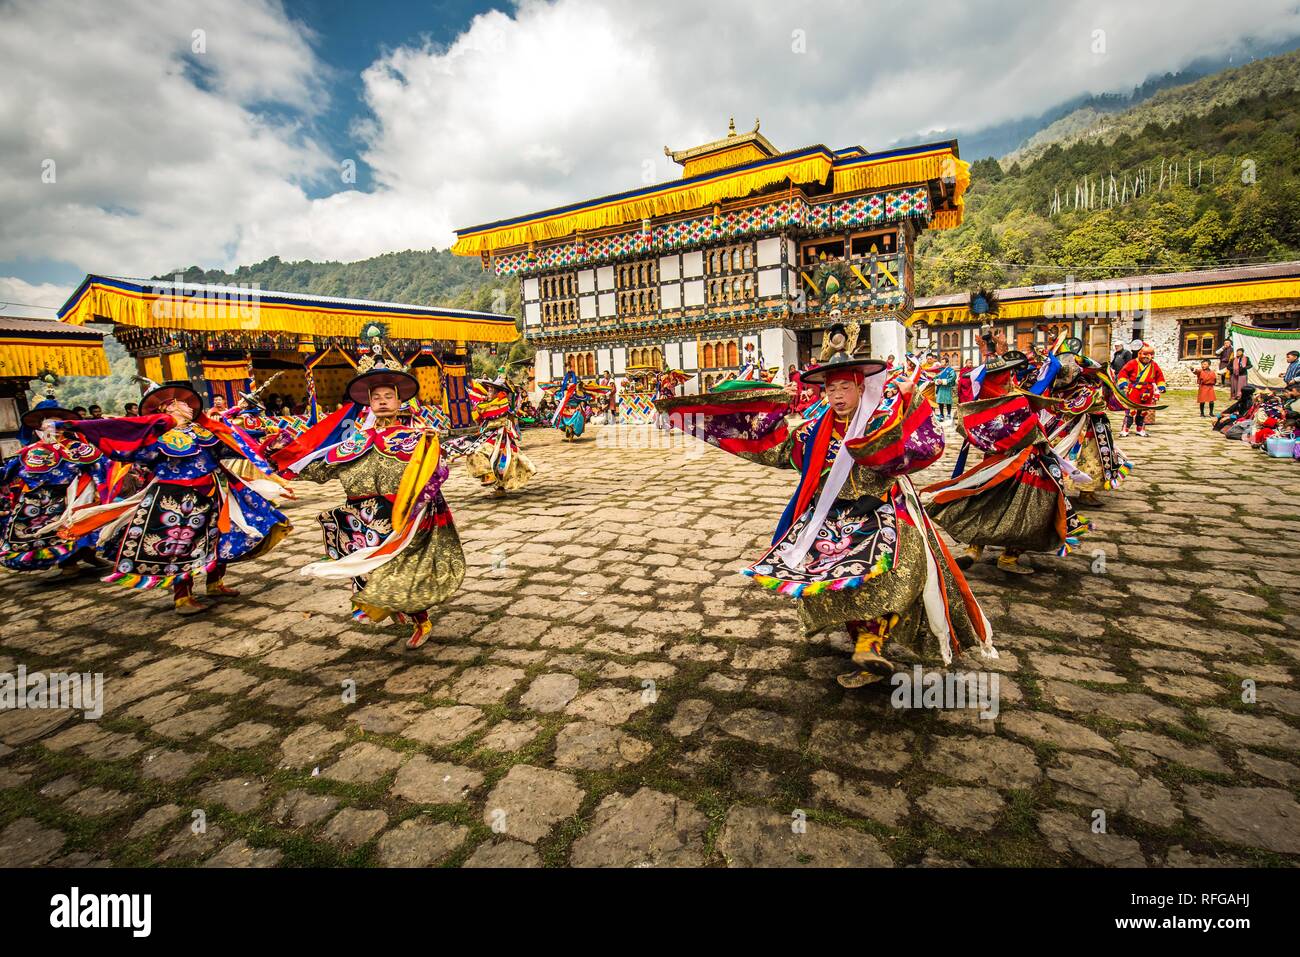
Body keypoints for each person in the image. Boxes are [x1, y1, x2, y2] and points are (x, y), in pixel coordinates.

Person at [655, 319, 994, 689]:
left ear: (860, 386)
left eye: (844, 387)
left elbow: (920, 446)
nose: (836, 395)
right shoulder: (816, 430)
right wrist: (704, 416)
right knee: (833, 577)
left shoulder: (881, 420)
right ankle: (866, 647)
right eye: (830, 388)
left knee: (896, 567)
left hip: (882, 509)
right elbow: (779, 447)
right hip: (830, 516)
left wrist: (912, 400)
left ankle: (870, 643)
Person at [269, 359, 465, 649]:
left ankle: (420, 618)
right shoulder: (356, 440)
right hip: (364, 519)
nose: (382, 402)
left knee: (402, 570)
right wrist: (283, 456)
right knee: (374, 571)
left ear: (400, 401)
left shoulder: (417, 436)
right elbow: (321, 466)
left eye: (388, 397)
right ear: (368, 403)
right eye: (376, 398)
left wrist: (431, 451)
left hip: (405, 516)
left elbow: (439, 469)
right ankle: (396, 607)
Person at [59, 381, 291, 614]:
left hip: (215, 491)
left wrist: (266, 447)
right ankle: (182, 597)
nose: (190, 407)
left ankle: (215, 583)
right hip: (177, 499)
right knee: (180, 545)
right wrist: (79, 430)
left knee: (222, 537)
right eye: (183, 403)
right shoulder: (156, 438)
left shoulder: (204, 431)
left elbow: (230, 448)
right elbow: (131, 450)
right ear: (169, 408)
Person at [922, 350, 1088, 576]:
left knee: (986, 500)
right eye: (1007, 374)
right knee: (1026, 509)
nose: (1011, 377)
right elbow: (1028, 427)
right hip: (1023, 465)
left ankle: (974, 550)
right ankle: (1009, 556)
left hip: (993, 465)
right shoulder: (1013, 400)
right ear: (1001, 377)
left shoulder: (982, 401)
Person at [0, 400, 110, 580]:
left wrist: (100, 488)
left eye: (57, 424)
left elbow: (99, 466)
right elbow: (7, 473)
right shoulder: (30, 451)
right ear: (41, 427)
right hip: (37, 500)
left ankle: (87, 555)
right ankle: (68, 562)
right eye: (48, 424)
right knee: (42, 533)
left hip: (72, 496)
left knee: (81, 527)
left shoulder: (79, 448)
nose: (53, 428)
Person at [449, 375, 536, 495]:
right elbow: (480, 418)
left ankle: (492, 478)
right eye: (488, 390)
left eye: (491, 390)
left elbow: (490, 414)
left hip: (499, 437)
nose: (488, 392)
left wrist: (481, 407)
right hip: (488, 434)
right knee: (480, 455)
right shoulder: (488, 404)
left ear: (497, 392)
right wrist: (480, 406)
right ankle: (497, 486)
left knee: (494, 458)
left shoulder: (502, 403)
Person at [1117, 343, 1166, 437]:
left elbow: (1160, 377)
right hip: (1135, 390)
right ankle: (1125, 429)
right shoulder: (1132, 363)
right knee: (1131, 411)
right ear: (1140, 353)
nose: (1147, 357)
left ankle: (1140, 429)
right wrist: (1123, 384)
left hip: (1148, 390)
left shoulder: (1154, 365)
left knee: (1143, 411)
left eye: (1150, 355)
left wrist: (1161, 387)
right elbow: (1123, 373)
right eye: (1145, 354)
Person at [932, 357, 957, 422]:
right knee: (940, 401)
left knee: (948, 401)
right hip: (941, 388)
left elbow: (953, 378)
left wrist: (943, 381)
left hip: (947, 387)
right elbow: (935, 377)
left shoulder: (951, 370)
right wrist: (937, 380)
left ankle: (948, 414)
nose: (942, 363)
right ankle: (941, 414)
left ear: (947, 363)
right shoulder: (941, 370)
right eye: (941, 362)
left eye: (943, 362)